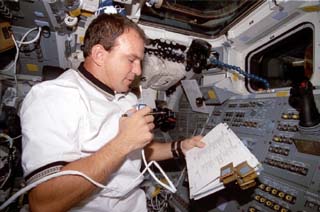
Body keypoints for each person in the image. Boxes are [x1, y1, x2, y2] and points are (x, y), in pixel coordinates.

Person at [20, 13, 205, 212]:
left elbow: (139, 152)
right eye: (131, 60)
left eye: (139, 62)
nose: (138, 71)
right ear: (99, 54)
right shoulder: (53, 97)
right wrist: (123, 142)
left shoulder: (127, 98)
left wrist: (180, 147)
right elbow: (43, 203)